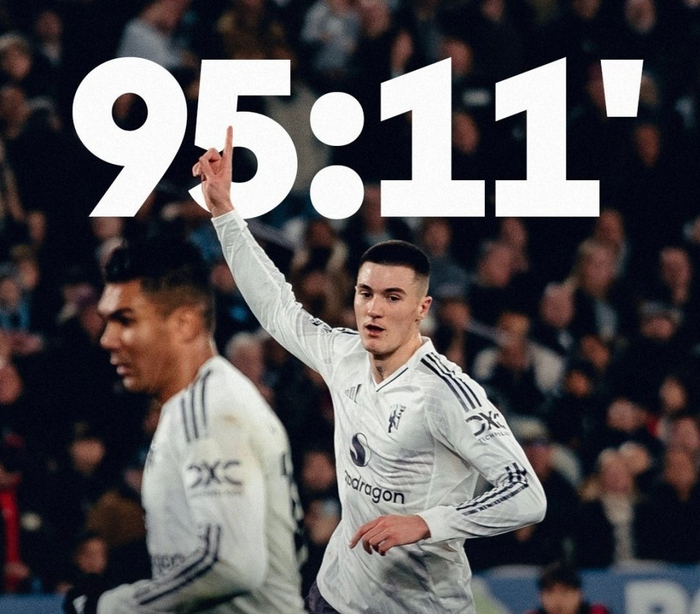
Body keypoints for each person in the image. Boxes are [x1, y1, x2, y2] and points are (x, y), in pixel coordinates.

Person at [193, 127, 546, 613]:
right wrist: (224, 213)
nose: (374, 310)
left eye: (393, 297)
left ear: (422, 308)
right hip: (338, 594)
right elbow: (278, 310)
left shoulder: (446, 393)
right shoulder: (344, 355)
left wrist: (428, 523)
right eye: (366, 294)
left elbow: (526, 495)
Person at [63, 235, 305, 613]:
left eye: (125, 320)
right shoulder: (193, 404)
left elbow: (231, 565)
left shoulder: (211, 409)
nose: (107, 339)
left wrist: (112, 606)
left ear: (186, 325)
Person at [525, 561, 611, 614]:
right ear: (540, 596)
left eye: (564, 592)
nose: (557, 600)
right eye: (550, 592)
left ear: (579, 593)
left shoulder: (597, 612)